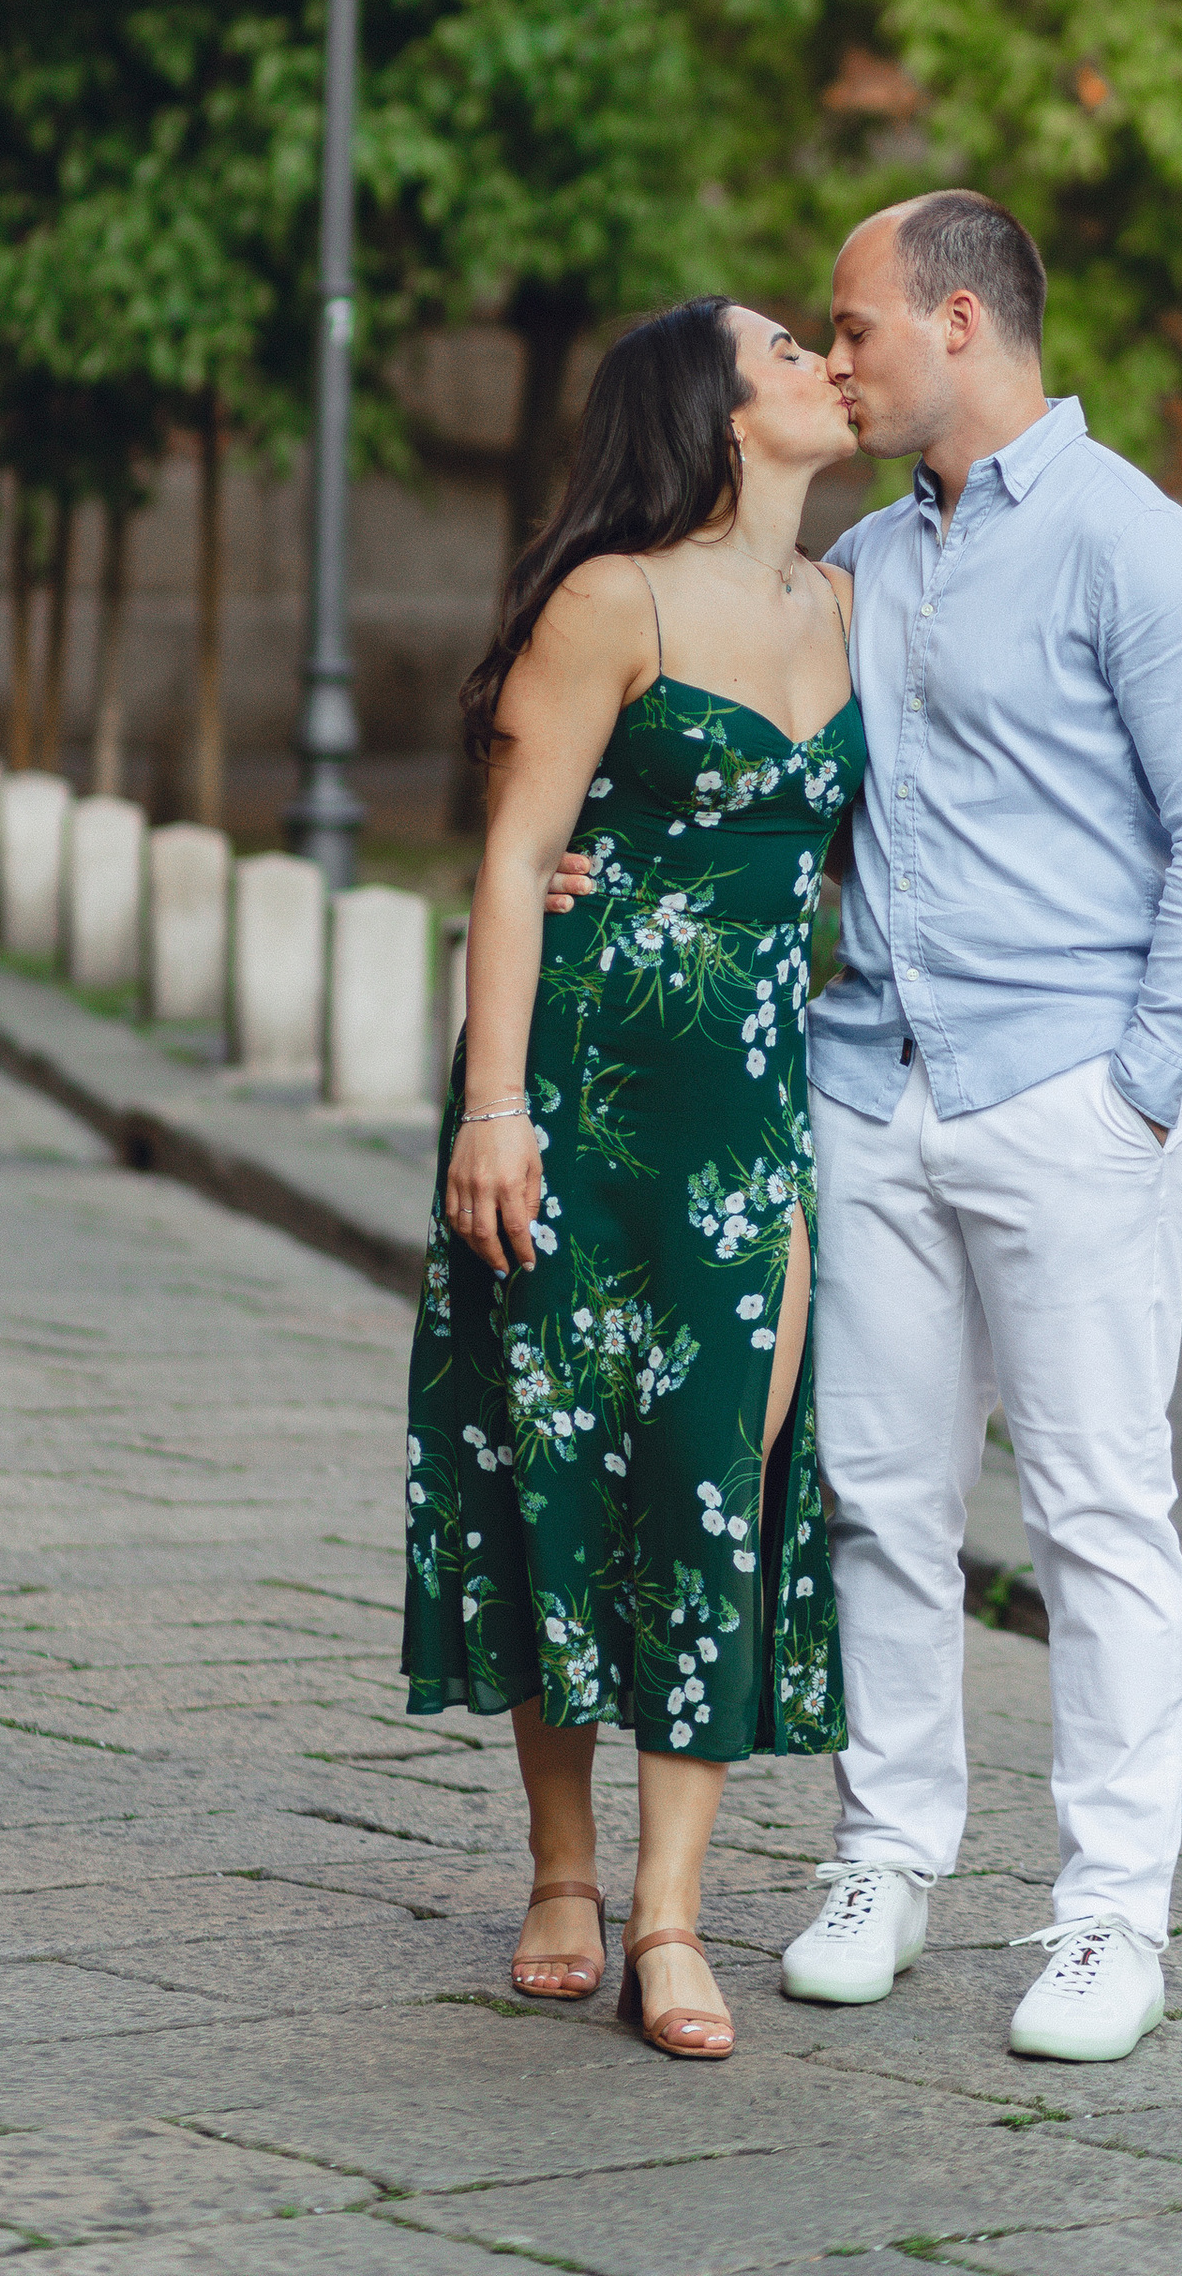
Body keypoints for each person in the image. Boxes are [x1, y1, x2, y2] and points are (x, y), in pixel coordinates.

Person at [779, 189, 1182, 2064]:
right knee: (879, 1497)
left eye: (856, 328)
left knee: (1095, 1510)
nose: (838, 361)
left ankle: (1107, 1922)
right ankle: (889, 1854)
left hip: (1071, 1095)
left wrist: (1145, 1086)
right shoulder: (874, 563)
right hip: (876, 1089)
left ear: (962, 319)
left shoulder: (1132, 548)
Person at [403, 296, 863, 2062]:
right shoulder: (613, 599)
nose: (823, 364)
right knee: (563, 1469)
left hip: (751, 1116)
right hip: (580, 1101)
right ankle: (566, 1870)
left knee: (713, 1487)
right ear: (717, 413)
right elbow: (517, 862)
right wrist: (491, 1109)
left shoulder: (847, 600)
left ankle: (678, 1917)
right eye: (782, 351)